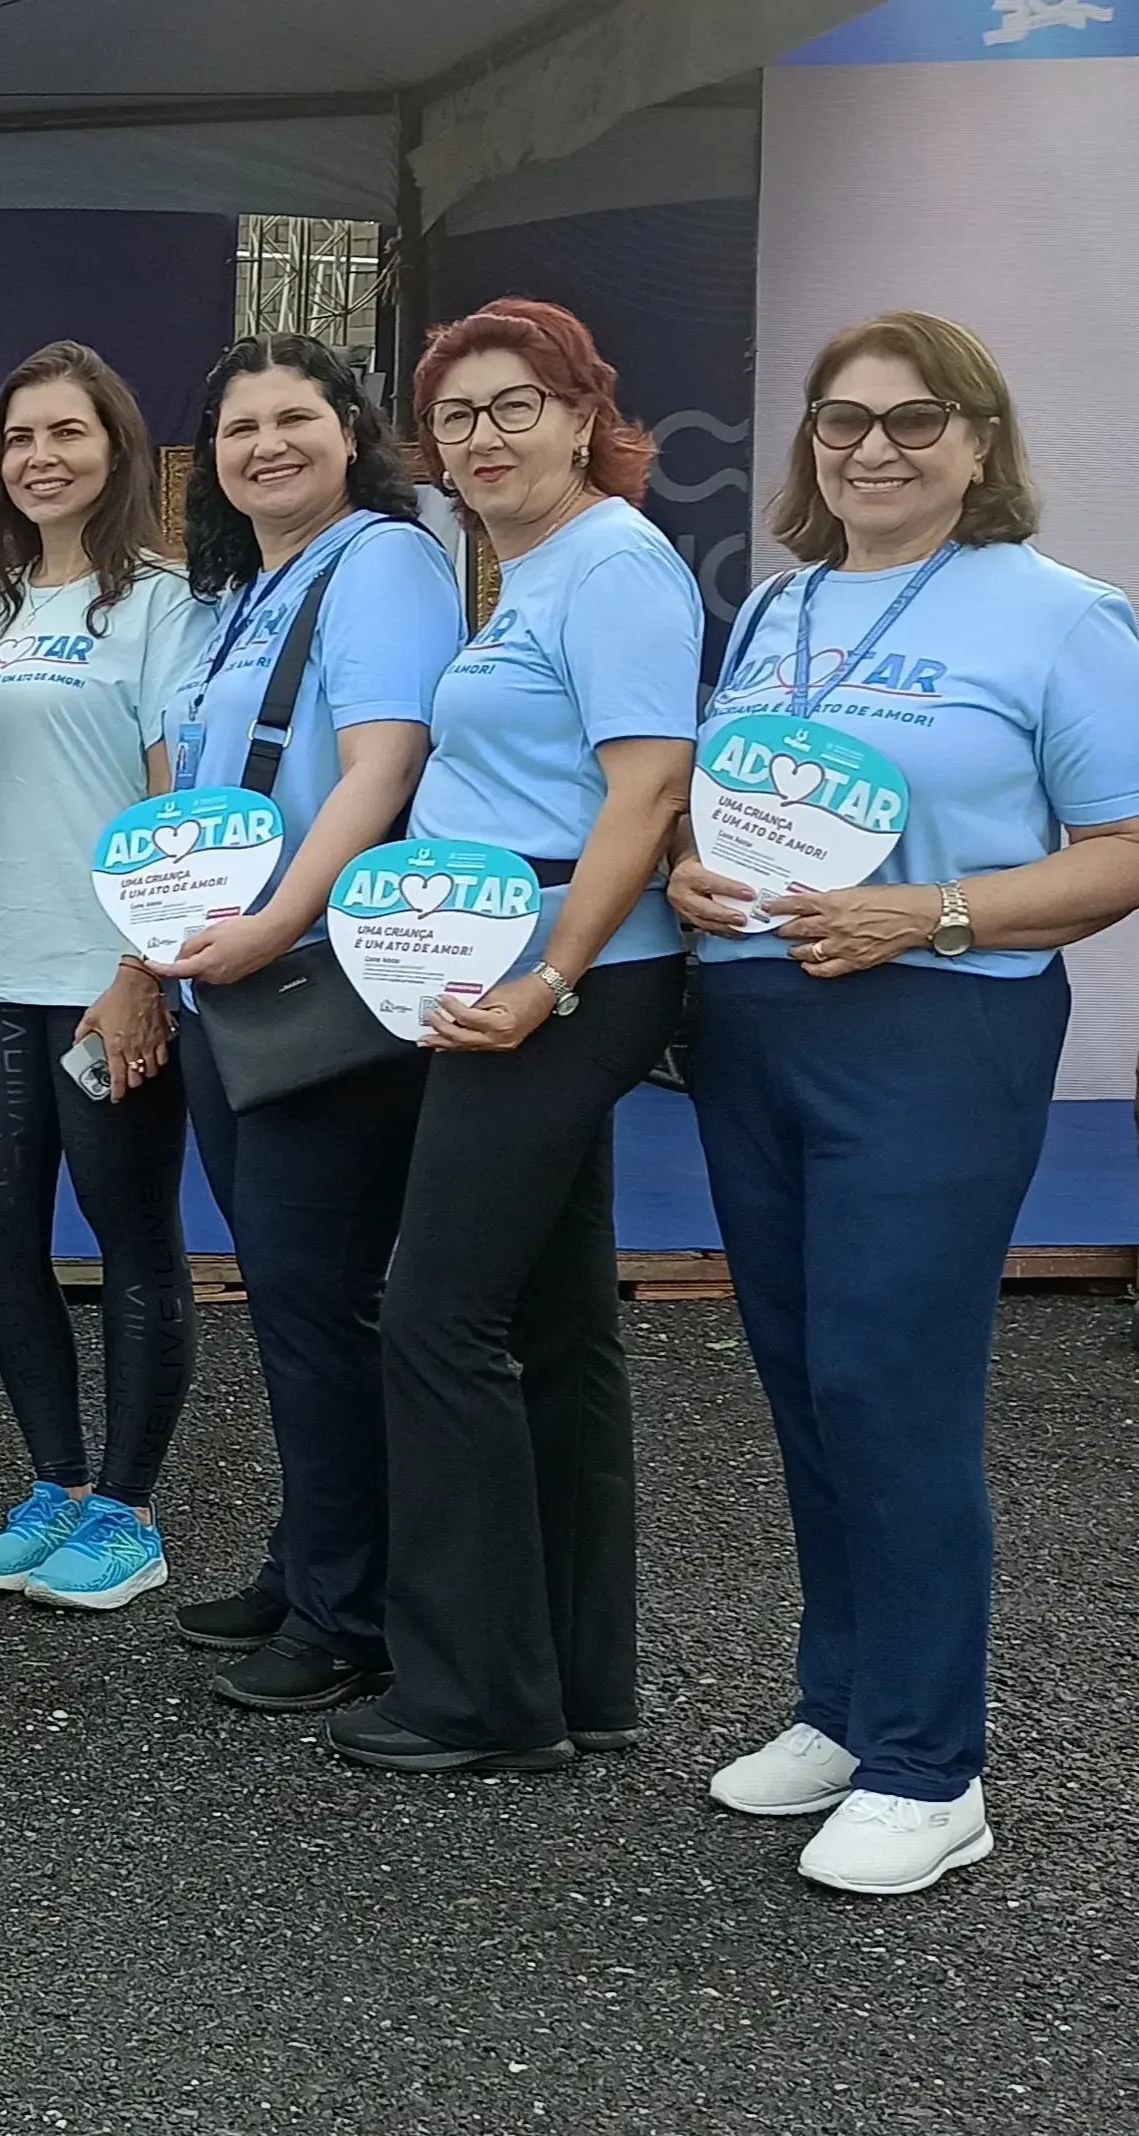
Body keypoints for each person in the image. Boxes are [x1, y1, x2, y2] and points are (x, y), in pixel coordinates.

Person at [671, 312, 1139, 1891]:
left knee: (889, 1380)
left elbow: (1118, 852)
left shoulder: (1062, 617)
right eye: (838, 420)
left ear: (978, 441)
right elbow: (734, 811)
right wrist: (688, 869)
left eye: (911, 420)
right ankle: (842, 1703)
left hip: (938, 1028)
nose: (870, 448)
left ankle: (933, 1767)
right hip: (752, 1023)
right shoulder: (777, 611)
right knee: (801, 1377)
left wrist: (924, 915)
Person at [317, 300, 695, 1775]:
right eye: (458, 416)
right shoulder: (535, 572)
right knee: (549, 1327)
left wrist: (549, 978)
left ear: (583, 413)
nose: (482, 437)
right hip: (507, 971)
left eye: (513, 405)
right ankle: (573, 1681)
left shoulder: (608, 567)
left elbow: (646, 791)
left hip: (553, 982)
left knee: (435, 1316)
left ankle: (472, 1694)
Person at [143, 335, 461, 1714]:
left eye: (293, 419)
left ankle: (350, 1610)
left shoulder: (380, 561)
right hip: (231, 979)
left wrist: (272, 925)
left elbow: (379, 768)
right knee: (286, 1294)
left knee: (314, 1297)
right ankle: (308, 1555)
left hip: (311, 978)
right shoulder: (251, 589)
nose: (263, 445)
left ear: (351, 432)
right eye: (235, 428)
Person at [0, 345, 205, 1609]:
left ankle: (130, 1515)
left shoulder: (163, 600)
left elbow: (170, 803)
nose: (40, 458)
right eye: (19, 435)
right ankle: (53, 1486)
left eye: (67, 434)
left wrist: (143, 969)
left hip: (108, 980)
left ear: (116, 450)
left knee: (133, 1242)